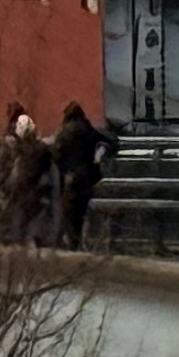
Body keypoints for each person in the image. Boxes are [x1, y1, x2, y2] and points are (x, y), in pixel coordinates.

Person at [52, 101, 113, 248]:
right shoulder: (89, 130)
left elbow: (56, 154)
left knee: (68, 213)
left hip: (71, 179)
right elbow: (110, 142)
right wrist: (99, 158)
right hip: (88, 179)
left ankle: (69, 243)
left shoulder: (65, 133)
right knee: (80, 212)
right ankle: (77, 241)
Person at [0, 109, 56, 244]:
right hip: (34, 195)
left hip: (22, 194)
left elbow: (5, 172)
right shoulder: (41, 149)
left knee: (18, 226)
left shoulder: (16, 150)